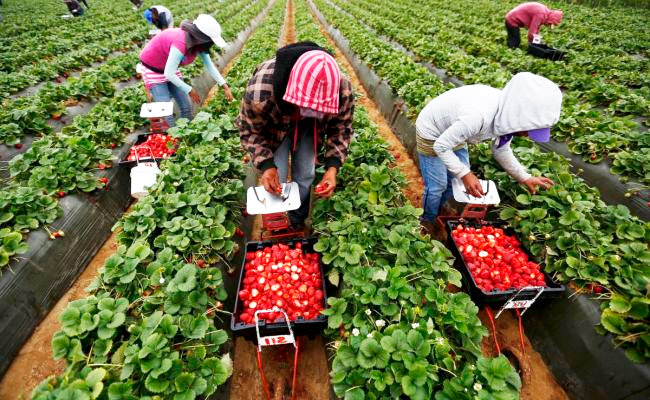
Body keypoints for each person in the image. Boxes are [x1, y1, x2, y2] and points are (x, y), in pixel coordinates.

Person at [415, 72, 561, 231]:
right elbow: (441, 146)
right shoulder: (478, 116)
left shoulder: (508, 118)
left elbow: (501, 150)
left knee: (455, 182)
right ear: (520, 118)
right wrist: (465, 174)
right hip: (432, 132)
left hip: (455, 133)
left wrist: (525, 177)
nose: (528, 135)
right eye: (529, 130)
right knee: (438, 185)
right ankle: (427, 219)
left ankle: (438, 208)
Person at [237, 42, 355, 230]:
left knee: (306, 173)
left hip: (311, 126)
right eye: (304, 109)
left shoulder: (341, 90)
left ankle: (296, 219)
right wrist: (267, 165)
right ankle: (276, 222)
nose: (306, 113)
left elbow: (341, 128)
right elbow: (249, 130)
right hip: (276, 122)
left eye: (314, 110)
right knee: (278, 174)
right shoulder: (261, 92)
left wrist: (332, 168)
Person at [138, 14, 234, 126]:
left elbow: (209, 66)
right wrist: (189, 89)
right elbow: (169, 73)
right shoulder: (181, 42)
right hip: (153, 69)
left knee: (186, 107)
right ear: (202, 38)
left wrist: (224, 85)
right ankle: (172, 135)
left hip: (170, 68)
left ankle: (186, 133)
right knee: (165, 111)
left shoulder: (198, 44)